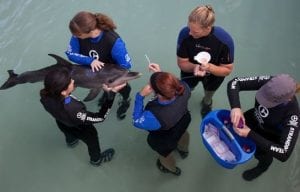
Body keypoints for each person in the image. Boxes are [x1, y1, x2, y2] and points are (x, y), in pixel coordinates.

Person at [40, 67, 126, 166]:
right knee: (92, 142)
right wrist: (111, 95)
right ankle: (96, 160)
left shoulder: (45, 95)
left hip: (61, 122)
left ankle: (71, 142)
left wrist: (69, 90)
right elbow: (100, 118)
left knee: (67, 131)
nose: (73, 80)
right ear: (63, 92)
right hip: (81, 129)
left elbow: (62, 99)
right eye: (70, 81)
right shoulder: (74, 109)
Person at [227, 74, 300, 181]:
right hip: (252, 118)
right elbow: (234, 82)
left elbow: (284, 153)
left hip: (268, 137)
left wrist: (250, 134)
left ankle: (262, 167)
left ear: (287, 100)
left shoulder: (292, 116)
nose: (263, 101)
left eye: (269, 101)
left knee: (262, 155)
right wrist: (235, 107)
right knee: (234, 132)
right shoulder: (271, 83)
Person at [65, 11, 132, 120]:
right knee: (103, 90)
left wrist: (113, 83)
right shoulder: (77, 35)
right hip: (93, 72)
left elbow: (125, 66)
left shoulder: (114, 41)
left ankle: (125, 102)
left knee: (125, 90)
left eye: (77, 35)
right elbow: (71, 54)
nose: (74, 36)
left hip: (111, 73)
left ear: (89, 31)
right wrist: (90, 61)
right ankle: (105, 97)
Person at [132, 63, 191, 176]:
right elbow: (174, 84)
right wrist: (161, 76)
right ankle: (184, 151)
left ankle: (173, 169)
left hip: (165, 137)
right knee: (183, 133)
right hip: (183, 120)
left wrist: (140, 96)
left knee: (165, 155)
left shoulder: (154, 116)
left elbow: (137, 120)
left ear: (157, 93)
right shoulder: (185, 88)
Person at [176, 5, 234, 118]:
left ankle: (207, 103)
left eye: (195, 32)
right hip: (190, 71)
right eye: (189, 28)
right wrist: (194, 67)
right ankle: (182, 103)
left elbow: (227, 70)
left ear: (208, 28)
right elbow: (182, 62)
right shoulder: (185, 33)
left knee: (209, 93)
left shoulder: (224, 40)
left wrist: (209, 68)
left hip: (214, 75)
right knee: (185, 90)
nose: (190, 34)